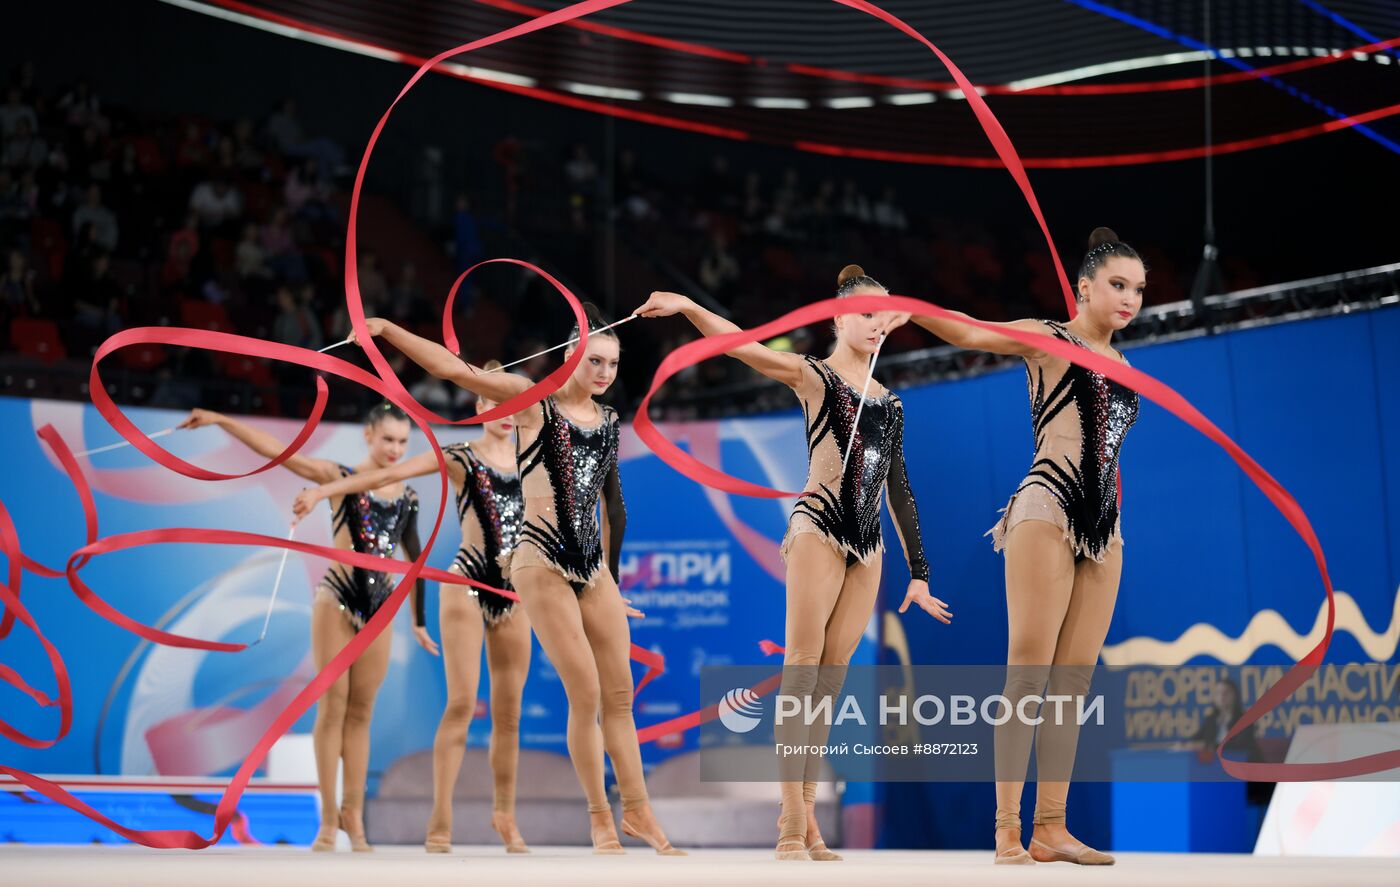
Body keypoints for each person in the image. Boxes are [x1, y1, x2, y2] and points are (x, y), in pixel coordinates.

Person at [636, 265, 952, 861]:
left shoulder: (890, 403)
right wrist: (684, 304)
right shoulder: (815, 377)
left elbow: (900, 490)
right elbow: (739, 344)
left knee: (831, 684)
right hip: (819, 529)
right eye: (865, 314)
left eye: (885, 316)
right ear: (836, 319)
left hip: (870, 546)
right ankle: (790, 822)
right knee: (803, 671)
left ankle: (807, 818)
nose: (877, 324)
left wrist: (921, 571)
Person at [349, 305, 684, 855]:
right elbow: (459, 373)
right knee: (587, 692)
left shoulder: (607, 421)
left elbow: (614, 506)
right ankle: (599, 818)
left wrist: (614, 582)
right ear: (572, 354)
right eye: (594, 360)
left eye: (613, 364)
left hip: (591, 568)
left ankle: (639, 813)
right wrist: (385, 332)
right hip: (538, 562)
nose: (603, 373)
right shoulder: (531, 403)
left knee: (620, 695)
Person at [908, 227, 1143, 865]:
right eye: (1117, 285)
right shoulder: (1049, 338)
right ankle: (1007, 830)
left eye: (1139, 290)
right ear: (1084, 287)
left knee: (1073, 684)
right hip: (1047, 508)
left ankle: (1051, 828)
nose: (1130, 299)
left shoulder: (1123, 366)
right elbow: (970, 331)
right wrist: (912, 308)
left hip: (1105, 528)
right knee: (1029, 676)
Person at [292, 365, 534, 853]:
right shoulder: (461, 456)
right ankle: (438, 822)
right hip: (465, 582)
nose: (506, 411)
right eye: (494, 400)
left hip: (515, 594)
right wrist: (323, 491)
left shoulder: (537, 461)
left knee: (509, 715)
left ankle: (504, 815)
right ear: (479, 408)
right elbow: (391, 473)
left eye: (514, 402)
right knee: (462, 704)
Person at [178, 402, 423, 853]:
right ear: (368, 436)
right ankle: (328, 818)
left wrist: (419, 620)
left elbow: (414, 555)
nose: (395, 449)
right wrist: (224, 419)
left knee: (362, 713)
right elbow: (283, 453)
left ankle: (354, 813)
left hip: (381, 608)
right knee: (333, 707)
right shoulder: (338, 475)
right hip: (337, 599)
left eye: (403, 442)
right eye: (387, 439)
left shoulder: (407, 494)